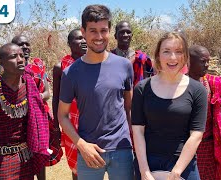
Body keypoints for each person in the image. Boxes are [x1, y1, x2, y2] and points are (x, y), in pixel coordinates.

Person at [58, 4, 134, 180]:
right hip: (88, 152)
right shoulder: (71, 73)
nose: (99, 37)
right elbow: (62, 115)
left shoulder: (124, 66)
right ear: (83, 32)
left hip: (122, 150)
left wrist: (134, 143)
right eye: (93, 31)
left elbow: (129, 108)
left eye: (104, 30)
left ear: (109, 32)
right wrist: (81, 145)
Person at [132, 32, 208, 180]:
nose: (173, 57)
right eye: (166, 51)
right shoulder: (142, 88)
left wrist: (177, 172)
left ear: (185, 56)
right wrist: (144, 171)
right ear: (158, 55)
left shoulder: (198, 90)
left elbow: (196, 135)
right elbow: (138, 131)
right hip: (148, 162)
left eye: (178, 52)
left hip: (184, 165)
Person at [0, 43, 49, 179]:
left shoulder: (29, 85)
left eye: (22, 56)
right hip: (1, 159)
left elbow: (37, 124)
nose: (20, 60)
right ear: (1, 62)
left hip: (26, 158)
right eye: (13, 56)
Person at [11, 35, 63, 180]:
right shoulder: (8, 69)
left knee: (40, 153)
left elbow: (47, 93)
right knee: (23, 155)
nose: (25, 47)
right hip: (19, 118)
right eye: (21, 44)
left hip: (40, 117)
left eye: (27, 44)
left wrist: (33, 98)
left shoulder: (38, 66)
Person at [188, 45, 221, 180]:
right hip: (184, 146)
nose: (207, 65)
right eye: (203, 61)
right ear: (189, 61)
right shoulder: (179, 86)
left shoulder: (213, 84)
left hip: (207, 148)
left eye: (208, 61)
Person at [52, 28, 87, 180]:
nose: (83, 41)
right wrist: (55, 125)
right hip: (69, 123)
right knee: (75, 166)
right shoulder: (60, 67)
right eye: (78, 38)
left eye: (84, 38)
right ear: (69, 43)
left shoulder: (93, 63)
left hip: (92, 121)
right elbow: (55, 97)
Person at [111, 21, 154, 86]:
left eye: (128, 32)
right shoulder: (109, 57)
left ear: (132, 36)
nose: (125, 35)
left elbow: (147, 83)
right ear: (115, 36)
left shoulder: (141, 59)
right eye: (121, 32)